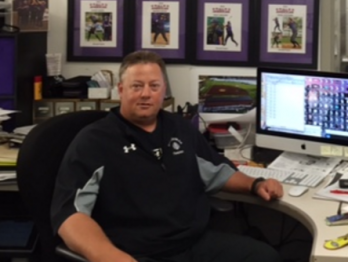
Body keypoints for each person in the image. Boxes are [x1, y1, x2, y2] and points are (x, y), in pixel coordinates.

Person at [51, 50, 283, 262]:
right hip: (137, 252)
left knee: (266, 257)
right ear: (121, 90)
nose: (146, 94)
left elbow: (217, 171)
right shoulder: (94, 141)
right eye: (136, 86)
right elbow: (71, 216)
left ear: (164, 91)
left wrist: (256, 184)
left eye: (154, 86)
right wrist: (112, 257)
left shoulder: (178, 128)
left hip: (193, 244)